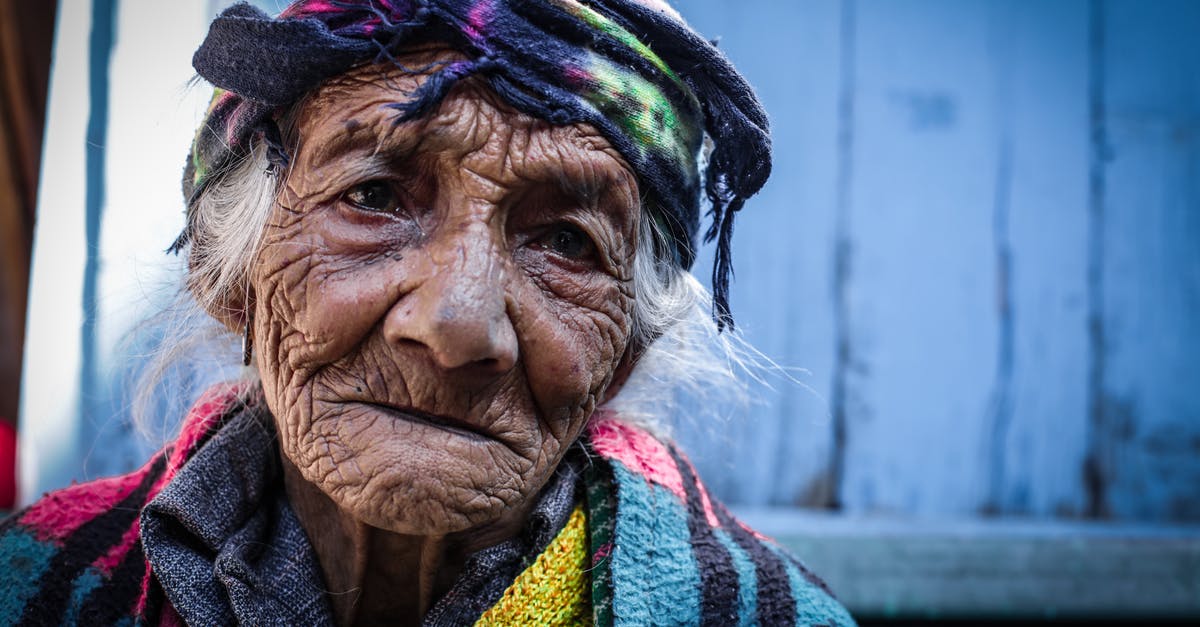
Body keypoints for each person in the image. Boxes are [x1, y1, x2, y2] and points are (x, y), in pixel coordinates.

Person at [1, 1, 855, 625]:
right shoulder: (32, 583)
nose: (457, 324)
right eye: (373, 196)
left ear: (620, 358)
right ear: (232, 278)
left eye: (565, 240)